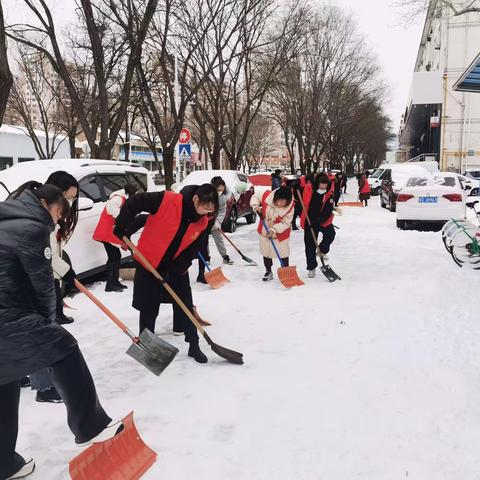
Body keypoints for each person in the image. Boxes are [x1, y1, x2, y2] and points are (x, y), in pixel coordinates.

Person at [0, 184, 121, 480]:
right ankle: (90, 424)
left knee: (5, 379)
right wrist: (46, 326)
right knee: (63, 346)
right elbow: (42, 287)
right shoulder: (31, 227)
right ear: (43, 203)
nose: (57, 220)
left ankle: (4, 463)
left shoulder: (5, 219)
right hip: (8, 313)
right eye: (58, 211)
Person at [113, 184, 219, 364]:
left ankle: (194, 344)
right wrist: (122, 225)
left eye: (211, 207)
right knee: (148, 307)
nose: (207, 210)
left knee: (185, 306)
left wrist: (173, 271)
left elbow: (192, 250)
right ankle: (147, 347)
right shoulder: (167, 200)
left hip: (176, 268)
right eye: (205, 205)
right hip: (149, 264)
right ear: (195, 199)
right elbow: (135, 202)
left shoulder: (203, 221)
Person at [93, 184, 138, 292]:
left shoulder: (122, 198)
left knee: (115, 256)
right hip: (106, 231)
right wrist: (122, 218)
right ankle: (110, 284)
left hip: (110, 232)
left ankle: (114, 281)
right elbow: (110, 208)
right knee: (114, 256)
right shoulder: (118, 198)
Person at [250, 186, 294, 281]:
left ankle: (285, 271)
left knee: (283, 253)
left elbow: (286, 222)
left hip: (281, 232)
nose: (281, 204)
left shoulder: (290, 208)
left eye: (284, 202)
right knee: (266, 252)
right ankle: (268, 271)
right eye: (279, 201)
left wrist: (273, 230)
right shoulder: (267, 195)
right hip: (265, 229)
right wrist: (256, 206)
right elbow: (255, 197)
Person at [197, 176, 233, 284]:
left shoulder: (222, 198)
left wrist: (217, 223)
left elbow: (222, 211)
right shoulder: (207, 195)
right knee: (204, 241)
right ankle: (206, 258)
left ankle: (225, 256)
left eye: (222, 190)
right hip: (203, 221)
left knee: (218, 238)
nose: (220, 192)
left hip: (214, 221)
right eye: (218, 190)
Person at [301, 173, 336, 278]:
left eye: (325, 185)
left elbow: (328, 211)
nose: (323, 187)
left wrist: (320, 220)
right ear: (317, 183)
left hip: (323, 220)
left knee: (330, 234)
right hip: (309, 220)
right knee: (310, 244)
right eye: (321, 184)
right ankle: (311, 267)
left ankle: (322, 250)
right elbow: (301, 188)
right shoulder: (310, 190)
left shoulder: (330, 194)